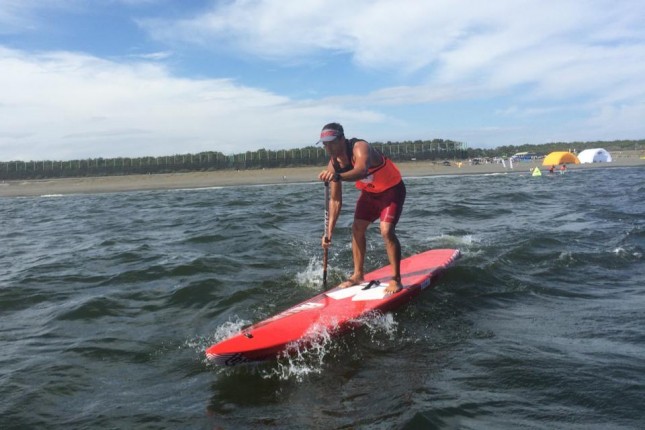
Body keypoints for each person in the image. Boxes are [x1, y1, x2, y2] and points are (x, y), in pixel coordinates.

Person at [316, 123, 406, 295]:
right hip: (370, 194)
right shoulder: (333, 164)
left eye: (331, 142)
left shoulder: (360, 147)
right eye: (324, 144)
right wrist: (328, 233)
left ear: (342, 139)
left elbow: (361, 171)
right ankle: (358, 274)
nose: (328, 147)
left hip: (392, 190)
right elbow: (335, 201)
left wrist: (337, 176)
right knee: (357, 228)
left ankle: (396, 279)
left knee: (386, 231)